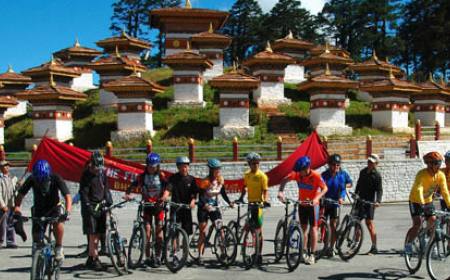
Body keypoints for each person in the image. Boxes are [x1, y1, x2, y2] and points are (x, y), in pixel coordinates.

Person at [14, 160, 72, 261]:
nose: (41, 183)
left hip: (54, 207)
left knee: (58, 223)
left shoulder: (56, 178)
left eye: (43, 180)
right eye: (38, 181)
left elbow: (67, 196)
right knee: (36, 236)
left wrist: (68, 211)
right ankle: (37, 257)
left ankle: (59, 247)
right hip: (39, 208)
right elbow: (19, 197)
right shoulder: (32, 178)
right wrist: (17, 212)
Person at [278, 156, 327, 265]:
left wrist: (316, 198)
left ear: (307, 168)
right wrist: (281, 191)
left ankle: (312, 254)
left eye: (301, 171)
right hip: (302, 204)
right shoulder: (298, 174)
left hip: (313, 205)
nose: (299, 173)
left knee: (313, 228)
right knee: (303, 228)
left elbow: (325, 188)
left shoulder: (316, 176)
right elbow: (284, 180)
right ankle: (303, 252)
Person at [125, 152, 169, 266]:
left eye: (153, 167)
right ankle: (148, 257)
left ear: (157, 166)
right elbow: (132, 186)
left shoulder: (161, 176)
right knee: (147, 232)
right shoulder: (142, 176)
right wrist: (128, 194)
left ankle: (158, 256)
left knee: (159, 233)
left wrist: (164, 196)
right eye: (149, 166)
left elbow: (168, 187)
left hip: (158, 206)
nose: (151, 168)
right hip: (147, 207)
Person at [405, 151, 450, 254]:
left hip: (428, 201)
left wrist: (449, 204)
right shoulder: (422, 174)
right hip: (416, 201)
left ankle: (429, 243)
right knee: (417, 223)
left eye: (439, 163)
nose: (439, 166)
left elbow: (445, 192)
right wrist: (422, 203)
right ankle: (408, 244)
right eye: (436, 163)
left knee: (433, 221)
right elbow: (419, 189)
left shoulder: (440, 175)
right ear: (429, 164)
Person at [79, 151, 113, 271]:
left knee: (99, 233)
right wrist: (89, 207)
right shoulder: (86, 175)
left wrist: (109, 200)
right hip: (90, 207)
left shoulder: (102, 174)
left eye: (100, 168)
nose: (98, 170)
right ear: (91, 164)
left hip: (101, 205)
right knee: (93, 234)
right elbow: (83, 193)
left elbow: (106, 188)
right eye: (96, 168)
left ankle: (90, 257)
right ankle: (95, 258)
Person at [197, 159, 233, 264]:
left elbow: (223, 193)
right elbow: (201, 197)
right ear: (211, 170)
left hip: (214, 208)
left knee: (220, 229)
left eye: (219, 169)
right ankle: (199, 255)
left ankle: (223, 252)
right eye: (216, 169)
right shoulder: (205, 181)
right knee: (203, 232)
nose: (218, 171)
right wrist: (205, 205)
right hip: (203, 208)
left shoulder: (220, 180)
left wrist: (229, 202)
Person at [237, 152, 270, 263]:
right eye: (253, 163)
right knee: (249, 226)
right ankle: (246, 243)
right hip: (250, 203)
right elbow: (244, 187)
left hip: (259, 205)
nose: (256, 165)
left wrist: (264, 201)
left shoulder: (262, 176)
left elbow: (265, 191)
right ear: (249, 164)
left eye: (257, 163)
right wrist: (241, 197)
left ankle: (259, 254)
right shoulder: (247, 175)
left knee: (258, 230)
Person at [321, 154, 352, 256]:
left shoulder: (343, 174)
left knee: (333, 225)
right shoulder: (324, 175)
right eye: (334, 165)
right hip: (326, 202)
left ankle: (332, 247)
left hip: (336, 203)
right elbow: (320, 185)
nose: (336, 167)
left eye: (338, 165)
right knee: (325, 226)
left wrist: (344, 187)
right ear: (329, 165)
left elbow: (350, 183)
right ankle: (325, 246)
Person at [354, 153, 383, 255]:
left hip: (370, 202)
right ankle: (356, 244)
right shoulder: (363, 172)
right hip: (360, 201)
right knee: (356, 223)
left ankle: (374, 247)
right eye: (369, 161)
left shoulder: (377, 176)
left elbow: (379, 190)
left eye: (372, 162)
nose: (369, 163)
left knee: (369, 224)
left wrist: (378, 201)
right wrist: (355, 194)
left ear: (376, 164)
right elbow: (358, 184)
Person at [166, 156, 197, 236]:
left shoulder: (191, 179)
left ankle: (185, 247)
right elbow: (168, 189)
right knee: (174, 231)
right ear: (178, 167)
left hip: (186, 208)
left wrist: (193, 202)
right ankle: (174, 247)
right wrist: (164, 197)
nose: (184, 169)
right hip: (175, 207)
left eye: (185, 167)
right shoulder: (173, 178)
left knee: (186, 233)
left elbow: (194, 194)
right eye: (181, 167)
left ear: (188, 167)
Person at [0, 160, 18, 248]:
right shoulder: (0, 179)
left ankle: (10, 241)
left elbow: (14, 190)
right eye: (5, 166)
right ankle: (0, 240)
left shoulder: (12, 178)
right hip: (3, 204)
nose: (7, 167)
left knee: (11, 222)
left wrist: (18, 185)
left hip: (11, 204)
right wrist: (2, 205)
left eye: (8, 166)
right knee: (2, 224)